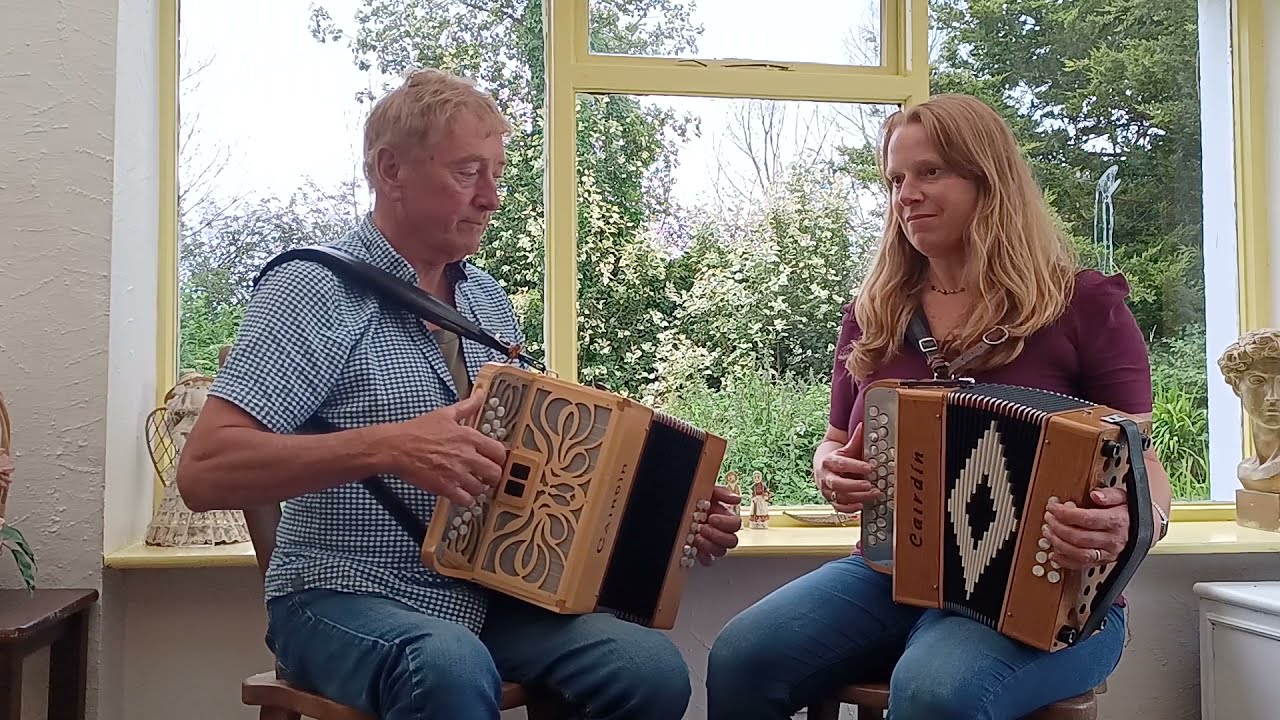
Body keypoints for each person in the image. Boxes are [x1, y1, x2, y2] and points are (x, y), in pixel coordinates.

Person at [176, 68, 743, 720]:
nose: (492, 199)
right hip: (336, 594)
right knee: (446, 664)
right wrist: (391, 446)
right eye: (469, 173)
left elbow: (557, 466)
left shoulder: (486, 301)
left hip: (481, 595)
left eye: (496, 175)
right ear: (391, 171)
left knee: (647, 667)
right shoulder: (311, 290)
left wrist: (676, 518)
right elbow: (205, 470)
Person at [704, 93, 1174, 720]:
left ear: (991, 180)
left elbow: (1145, 471)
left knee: (933, 689)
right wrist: (830, 471)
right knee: (740, 655)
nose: (907, 194)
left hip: (1046, 595)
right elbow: (834, 440)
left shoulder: (1086, 305)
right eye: (896, 178)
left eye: (931, 172)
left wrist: (1132, 523)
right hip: (890, 575)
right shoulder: (874, 313)